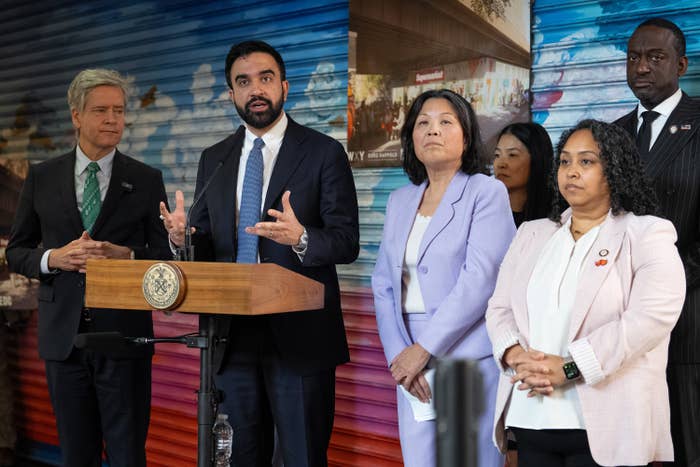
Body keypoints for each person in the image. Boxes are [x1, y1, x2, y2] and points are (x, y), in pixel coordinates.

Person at [159, 40, 359, 466]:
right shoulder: (214, 158)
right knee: (237, 457)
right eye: (243, 81)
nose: (256, 90)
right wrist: (182, 239)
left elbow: (346, 241)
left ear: (284, 86)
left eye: (265, 78)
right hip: (231, 336)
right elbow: (206, 242)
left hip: (300, 335)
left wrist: (301, 238)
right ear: (231, 94)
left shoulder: (323, 152)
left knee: (303, 456)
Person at [486, 119, 685, 467]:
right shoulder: (532, 233)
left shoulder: (647, 234)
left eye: (586, 161)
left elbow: (651, 319)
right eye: (565, 161)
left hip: (608, 424)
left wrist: (570, 368)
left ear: (615, 170)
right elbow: (499, 308)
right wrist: (516, 356)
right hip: (532, 417)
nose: (572, 171)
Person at [6, 69, 171, 467]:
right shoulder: (42, 177)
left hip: (124, 337)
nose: (113, 119)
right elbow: (17, 251)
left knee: (128, 455)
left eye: (119, 110)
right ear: (76, 115)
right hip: (64, 340)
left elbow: (164, 255)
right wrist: (54, 258)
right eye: (101, 110)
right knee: (77, 455)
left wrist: (126, 256)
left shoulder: (146, 179)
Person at [371, 89, 513, 467]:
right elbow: (383, 284)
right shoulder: (400, 200)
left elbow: (480, 280)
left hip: (465, 356)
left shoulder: (486, 192)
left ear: (466, 137)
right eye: (423, 123)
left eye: (445, 122)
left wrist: (425, 350)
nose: (432, 130)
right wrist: (400, 357)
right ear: (411, 139)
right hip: (409, 360)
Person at [613, 18, 700, 467]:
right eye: (633, 57)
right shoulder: (611, 135)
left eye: (655, 57)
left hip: (688, 323)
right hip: (617, 325)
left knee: (687, 445)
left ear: (681, 65)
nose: (641, 67)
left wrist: (662, 284)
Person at [493, 122, 554, 227]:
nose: (501, 164)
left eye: (512, 155)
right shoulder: (485, 210)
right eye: (497, 155)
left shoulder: (557, 217)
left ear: (537, 159)